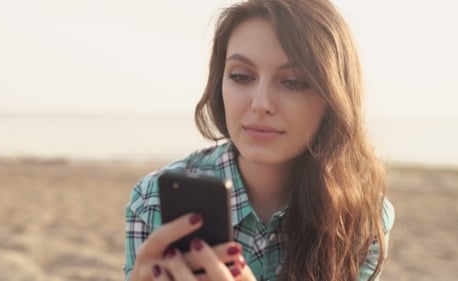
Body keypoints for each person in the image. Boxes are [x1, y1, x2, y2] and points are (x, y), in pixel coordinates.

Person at [124, 0, 395, 280]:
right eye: (241, 76)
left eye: (292, 82)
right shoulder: (152, 200)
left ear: (333, 97)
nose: (260, 103)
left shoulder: (361, 217)